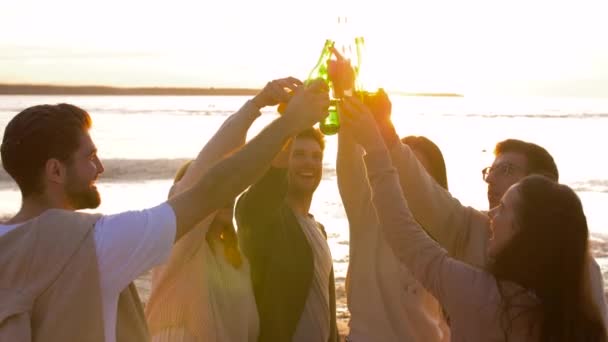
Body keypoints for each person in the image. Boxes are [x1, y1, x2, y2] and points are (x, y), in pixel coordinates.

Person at [0, 78, 329, 342]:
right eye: (89, 157)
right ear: (55, 171)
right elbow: (210, 187)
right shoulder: (95, 245)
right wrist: (289, 124)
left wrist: (255, 107)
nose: (100, 167)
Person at [340, 95, 607, 341]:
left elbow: (405, 234)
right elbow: (426, 196)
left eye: (506, 169)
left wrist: (377, 147)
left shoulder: (481, 293)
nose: (490, 178)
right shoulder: (479, 232)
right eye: (490, 169)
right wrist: (387, 135)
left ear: (542, 192)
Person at [145, 78, 300, 342]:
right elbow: (212, 162)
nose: (224, 197)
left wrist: (293, 126)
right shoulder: (180, 245)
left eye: (227, 192)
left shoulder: (235, 260)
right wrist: (256, 105)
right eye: (213, 193)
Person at [338, 96, 450, 341]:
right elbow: (349, 158)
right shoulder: (367, 215)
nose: (406, 182)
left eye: (418, 174)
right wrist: (346, 92)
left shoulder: (446, 236)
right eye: (398, 169)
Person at [235, 125, 339, 342]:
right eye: (298, 154)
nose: (309, 162)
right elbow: (254, 203)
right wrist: (290, 126)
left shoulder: (319, 230)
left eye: (316, 156)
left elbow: (327, 312)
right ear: (282, 160)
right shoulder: (266, 219)